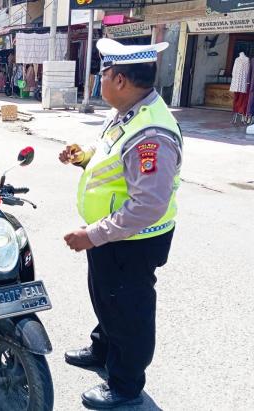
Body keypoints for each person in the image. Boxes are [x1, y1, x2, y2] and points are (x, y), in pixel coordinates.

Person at [59, 38, 183, 409]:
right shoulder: (127, 112)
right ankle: (103, 349)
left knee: (129, 311)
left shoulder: (152, 135)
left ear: (121, 80)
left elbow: (148, 205)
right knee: (107, 298)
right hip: (114, 235)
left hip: (132, 238)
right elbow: (113, 158)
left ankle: (126, 384)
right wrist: (83, 157)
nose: (100, 81)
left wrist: (92, 235)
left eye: (103, 74)